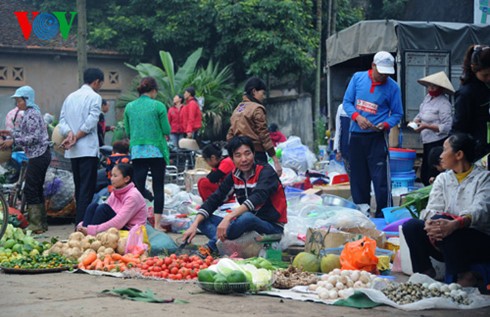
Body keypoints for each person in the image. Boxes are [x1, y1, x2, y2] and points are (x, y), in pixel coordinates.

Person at [402, 133, 490, 287]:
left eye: (444, 150)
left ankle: (465, 276)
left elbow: (480, 210)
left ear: (459, 155)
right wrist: (430, 224)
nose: (440, 156)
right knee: (411, 226)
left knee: (447, 226)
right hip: (442, 240)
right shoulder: (443, 179)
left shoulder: (484, 178)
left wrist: (455, 224)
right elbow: (432, 208)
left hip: (475, 241)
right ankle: (425, 272)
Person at [182, 136, 287, 256]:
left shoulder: (266, 172)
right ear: (232, 158)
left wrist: (228, 218)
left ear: (253, 153)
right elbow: (215, 199)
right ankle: (227, 243)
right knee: (201, 219)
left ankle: (212, 246)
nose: (244, 159)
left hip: (270, 227)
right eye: (238, 155)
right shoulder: (234, 176)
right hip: (244, 228)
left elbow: (257, 198)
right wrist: (194, 225)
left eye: (247, 154)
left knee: (246, 217)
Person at [342, 51, 403, 217]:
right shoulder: (357, 79)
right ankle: (362, 215)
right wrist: (357, 117)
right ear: (373, 66)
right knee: (358, 179)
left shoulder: (393, 87)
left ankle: (383, 216)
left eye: (386, 73)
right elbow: (347, 103)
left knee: (381, 180)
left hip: (377, 138)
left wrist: (384, 124)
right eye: (380, 72)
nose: (383, 76)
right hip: (356, 135)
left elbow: (397, 114)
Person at [0, 86, 51, 233]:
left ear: (27, 99)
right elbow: (24, 132)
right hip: (38, 155)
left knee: (30, 188)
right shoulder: (28, 113)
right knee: (36, 188)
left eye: (19, 100)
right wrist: (8, 133)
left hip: (39, 155)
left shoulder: (32, 114)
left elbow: (33, 138)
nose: (18, 103)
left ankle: (36, 224)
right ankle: (41, 224)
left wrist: (13, 142)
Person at [58, 68, 104, 225]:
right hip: (87, 149)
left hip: (73, 151)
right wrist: (76, 136)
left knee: (79, 187)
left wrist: (69, 133)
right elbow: (92, 121)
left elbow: (62, 120)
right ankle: (83, 223)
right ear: (96, 81)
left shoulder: (70, 97)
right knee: (87, 188)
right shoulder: (95, 97)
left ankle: (80, 221)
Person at [124, 76, 170, 230]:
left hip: (137, 151)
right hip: (156, 151)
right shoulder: (158, 106)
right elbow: (167, 130)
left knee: (137, 188)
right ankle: (157, 225)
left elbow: (128, 131)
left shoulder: (130, 107)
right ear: (154, 90)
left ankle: (136, 223)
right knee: (158, 187)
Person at [227, 77, 283, 176]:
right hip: (256, 154)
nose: (263, 97)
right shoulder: (257, 109)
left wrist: (235, 155)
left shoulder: (237, 109)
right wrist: (275, 160)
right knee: (265, 183)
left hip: (240, 156)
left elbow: (230, 136)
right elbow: (264, 135)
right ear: (254, 91)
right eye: (262, 93)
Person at [77, 163, 147, 236]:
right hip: (117, 226)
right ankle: (83, 236)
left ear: (126, 179)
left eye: (115, 176)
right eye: (111, 175)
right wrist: (82, 225)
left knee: (103, 209)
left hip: (130, 232)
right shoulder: (115, 192)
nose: (111, 179)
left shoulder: (133, 196)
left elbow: (119, 222)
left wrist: (92, 230)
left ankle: (89, 238)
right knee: (93, 206)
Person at [411, 71, 454, 185]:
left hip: (437, 142)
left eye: (434, 86)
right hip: (426, 140)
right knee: (425, 171)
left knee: (433, 172)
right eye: (429, 86)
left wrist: (427, 126)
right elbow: (421, 113)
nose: (430, 88)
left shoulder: (444, 104)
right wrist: (416, 120)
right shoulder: (427, 98)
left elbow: (447, 126)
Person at [452, 45, 490, 163]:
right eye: (485, 75)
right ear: (474, 69)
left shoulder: (486, 87)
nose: (489, 78)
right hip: (477, 152)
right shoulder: (466, 93)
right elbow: (459, 126)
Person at [333, 103, 351, 174]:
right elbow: (338, 129)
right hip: (346, 149)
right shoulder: (342, 108)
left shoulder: (363, 107)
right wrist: (337, 149)